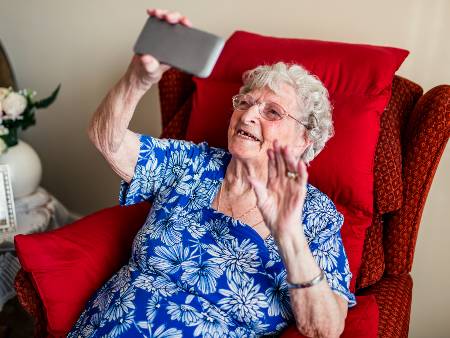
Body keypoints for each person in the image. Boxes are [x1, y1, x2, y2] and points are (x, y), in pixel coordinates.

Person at [69, 8, 356, 338]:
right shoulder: (194, 163)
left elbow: (326, 329)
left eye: (272, 112)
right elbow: (106, 140)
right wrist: (138, 79)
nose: (247, 116)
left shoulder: (315, 216)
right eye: (245, 103)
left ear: (305, 138)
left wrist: (288, 233)